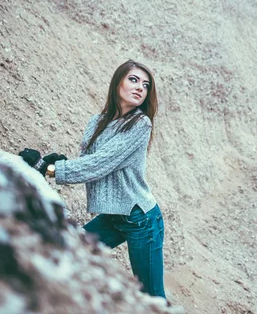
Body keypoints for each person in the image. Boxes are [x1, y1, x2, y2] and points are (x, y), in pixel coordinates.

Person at [18, 60, 166, 299]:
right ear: (118, 82)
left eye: (146, 85)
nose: (140, 87)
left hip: (141, 220)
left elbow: (100, 164)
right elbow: (89, 159)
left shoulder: (140, 124)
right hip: (113, 216)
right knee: (71, 253)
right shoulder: (96, 122)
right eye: (134, 80)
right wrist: (57, 161)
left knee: (152, 297)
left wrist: (48, 169)